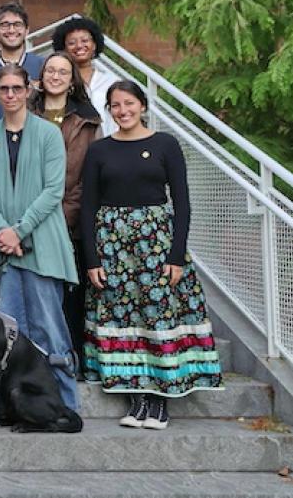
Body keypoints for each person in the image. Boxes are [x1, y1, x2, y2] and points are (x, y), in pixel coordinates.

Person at [81, 81, 222, 430]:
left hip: (156, 244)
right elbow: (87, 207)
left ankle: (161, 399)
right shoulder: (99, 150)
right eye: (115, 105)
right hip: (112, 244)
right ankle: (137, 398)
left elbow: (183, 204)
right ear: (109, 110)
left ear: (142, 105)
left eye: (129, 103)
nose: (123, 110)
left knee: (158, 316)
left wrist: (176, 256)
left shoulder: (165, 144)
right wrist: (93, 259)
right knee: (122, 317)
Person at [0, 65, 81, 414]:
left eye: (16, 88)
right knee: (4, 333)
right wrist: (3, 230)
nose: (10, 95)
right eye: (3, 89)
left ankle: (64, 403)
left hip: (42, 244)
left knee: (49, 327)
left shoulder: (49, 135)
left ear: (29, 88)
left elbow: (54, 190)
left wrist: (18, 230)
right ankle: (9, 406)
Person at [29, 51, 102, 359]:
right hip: (28, 219)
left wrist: (62, 216)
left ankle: (70, 356)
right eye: (50, 71)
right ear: (41, 77)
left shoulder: (87, 119)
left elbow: (90, 175)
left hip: (69, 219)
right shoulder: (25, 112)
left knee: (69, 294)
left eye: (63, 72)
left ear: (73, 80)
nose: (56, 76)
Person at [0, 2, 46, 122]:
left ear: (27, 30)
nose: (11, 30)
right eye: (5, 25)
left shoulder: (43, 67)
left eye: (17, 25)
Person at [52, 16, 116, 136]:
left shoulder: (111, 82)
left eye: (85, 41)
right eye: (72, 43)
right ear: (63, 49)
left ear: (95, 45)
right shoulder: (57, 82)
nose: (79, 46)